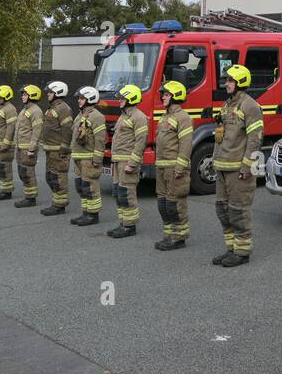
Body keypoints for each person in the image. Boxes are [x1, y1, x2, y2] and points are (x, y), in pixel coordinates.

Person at [211, 64, 263, 268]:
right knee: (223, 210)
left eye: (230, 80)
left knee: (238, 211)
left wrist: (246, 168)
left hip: (237, 169)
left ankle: (242, 252)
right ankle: (231, 249)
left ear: (241, 82)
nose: (226, 84)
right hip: (223, 166)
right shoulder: (228, 104)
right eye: (226, 80)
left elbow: (255, 139)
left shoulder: (250, 106)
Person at [153, 80, 194, 251]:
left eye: (167, 94)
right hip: (162, 167)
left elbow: (186, 144)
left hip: (174, 168)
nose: (163, 97)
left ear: (176, 96)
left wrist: (180, 167)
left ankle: (179, 238)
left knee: (175, 204)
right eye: (163, 94)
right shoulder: (165, 116)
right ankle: (169, 235)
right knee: (163, 204)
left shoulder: (183, 117)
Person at [106, 83, 147, 238]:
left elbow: (140, 142)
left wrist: (132, 163)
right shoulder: (124, 116)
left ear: (131, 98)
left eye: (122, 98)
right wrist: (112, 160)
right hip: (118, 161)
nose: (119, 101)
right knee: (118, 193)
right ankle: (123, 223)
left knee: (126, 193)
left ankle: (130, 226)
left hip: (127, 162)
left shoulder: (138, 117)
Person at [69, 86, 107, 226]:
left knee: (90, 186)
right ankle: (85, 212)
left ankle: (93, 215)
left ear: (90, 99)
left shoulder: (96, 116)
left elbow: (100, 140)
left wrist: (97, 159)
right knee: (80, 186)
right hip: (79, 157)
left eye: (82, 98)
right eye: (79, 98)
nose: (79, 100)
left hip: (89, 158)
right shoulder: (80, 115)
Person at [39, 80, 75, 216]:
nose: (48, 94)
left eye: (50, 92)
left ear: (58, 93)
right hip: (50, 149)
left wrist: (64, 147)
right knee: (50, 177)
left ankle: (59, 206)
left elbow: (67, 129)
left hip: (58, 150)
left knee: (58, 177)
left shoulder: (63, 108)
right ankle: (56, 202)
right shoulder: (53, 107)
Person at [13, 84, 45, 209]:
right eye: (22, 94)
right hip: (20, 147)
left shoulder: (36, 111)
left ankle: (31, 198)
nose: (22, 97)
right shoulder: (24, 110)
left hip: (27, 148)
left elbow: (37, 131)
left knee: (28, 172)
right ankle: (27, 195)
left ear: (32, 95)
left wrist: (32, 148)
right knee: (22, 172)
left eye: (25, 94)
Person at [0, 85, 18, 201]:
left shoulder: (10, 109)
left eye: (0, 97)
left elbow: (11, 127)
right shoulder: (0, 108)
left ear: (6, 96)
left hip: (3, 144)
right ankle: (3, 188)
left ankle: (6, 192)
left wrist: (6, 143)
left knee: (4, 167)